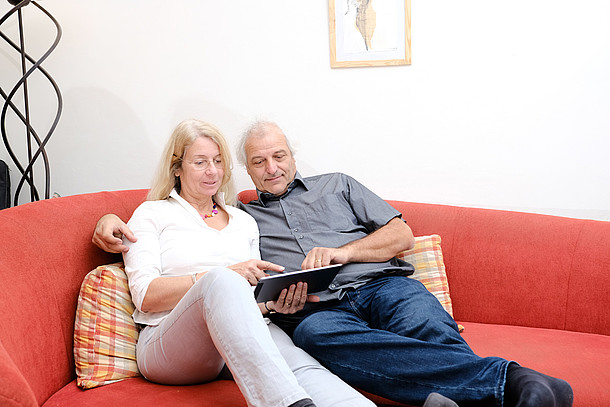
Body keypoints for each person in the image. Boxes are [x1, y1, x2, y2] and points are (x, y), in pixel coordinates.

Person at [94, 120, 573, 407]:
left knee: (424, 322)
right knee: (313, 334)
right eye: (258, 161)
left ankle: (502, 389)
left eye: (279, 156)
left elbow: (401, 235)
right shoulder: (242, 215)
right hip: (319, 309)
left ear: (293, 156)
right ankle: (514, 384)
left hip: (382, 284)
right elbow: (210, 267)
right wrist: (109, 219)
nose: (272, 168)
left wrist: (344, 253)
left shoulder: (327, 189)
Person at [115, 118, 378, 407]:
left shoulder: (244, 220)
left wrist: (273, 304)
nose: (212, 171)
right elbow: (146, 296)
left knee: (302, 367)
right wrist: (220, 276)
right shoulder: (151, 214)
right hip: (169, 347)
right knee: (221, 280)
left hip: (240, 335)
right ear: (177, 168)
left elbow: (247, 300)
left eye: (218, 161)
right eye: (200, 162)